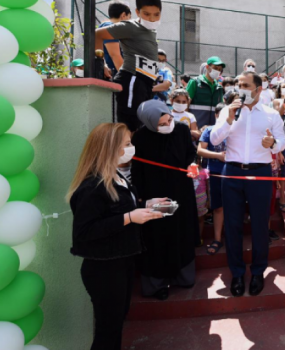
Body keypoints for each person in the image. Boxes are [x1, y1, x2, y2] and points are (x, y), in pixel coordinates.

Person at [67, 123, 166, 349]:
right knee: (107, 330)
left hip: (122, 261)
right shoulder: (92, 186)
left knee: (116, 324)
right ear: (109, 148)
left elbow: (118, 208)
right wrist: (130, 217)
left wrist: (146, 205)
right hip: (104, 268)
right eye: (127, 144)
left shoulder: (118, 177)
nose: (132, 148)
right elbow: (84, 232)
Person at [210, 72, 285, 297]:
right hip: (232, 172)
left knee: (260, 224)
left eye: (245, 85)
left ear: (258, 89)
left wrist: (272, 143)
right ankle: (237, 272)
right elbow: (214, 139)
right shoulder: (228, 110)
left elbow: (281, 143)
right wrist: (229, 118)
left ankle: (258, 271)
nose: (239, 88)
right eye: (238, 84)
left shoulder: (271, 114)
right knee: (232, 225)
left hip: (260, 174)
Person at [131, 99, 200, 300]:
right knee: (158, 237)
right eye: (161, 124)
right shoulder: (141, 138)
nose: (167, 125)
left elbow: (190, 153)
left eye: (169, 120)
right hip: (156, 196)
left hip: (182, 192)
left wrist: (192, 165)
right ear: (150, 123)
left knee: (182, 233)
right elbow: (137, 171)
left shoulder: (181, 130)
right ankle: (156, 284)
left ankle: (183, 277)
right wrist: (142, 198)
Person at [95, 0, 162, 132]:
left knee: (141, 125)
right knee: (128, 126)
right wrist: (100, 63)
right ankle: (124, 152)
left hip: (146, 82)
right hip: (132, 79)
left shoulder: (150, 30)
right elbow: (97, 34)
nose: (152, 18)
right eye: (147, 14)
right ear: (137, 12)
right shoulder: (130, 26)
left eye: (156, 14)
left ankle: (134, 152)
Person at [197, 104, 227, 256]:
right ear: (216, 115)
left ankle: (233, 236)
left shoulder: (236, 130)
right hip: (216, 173)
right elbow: (200, 150)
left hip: (234, 174)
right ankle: (217, 239)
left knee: (235, 207)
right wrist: (218, 156)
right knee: (218, 208)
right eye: (222, 114)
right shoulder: (209, 130)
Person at [187, 56, 226, 128]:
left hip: (213, 129)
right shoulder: (195, 82)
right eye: (215, 68)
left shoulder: (219, 88)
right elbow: (186, 104)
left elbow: (221, 108)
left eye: (220, 69)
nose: (218, 71)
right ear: (207, 67)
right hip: (196, 128)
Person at [98, 1, 130, 77]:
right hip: (113, 74)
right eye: (129, 17)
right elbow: (115, 55)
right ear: (123, 15)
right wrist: (126, 77)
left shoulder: (106, 26)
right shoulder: (111, 27)